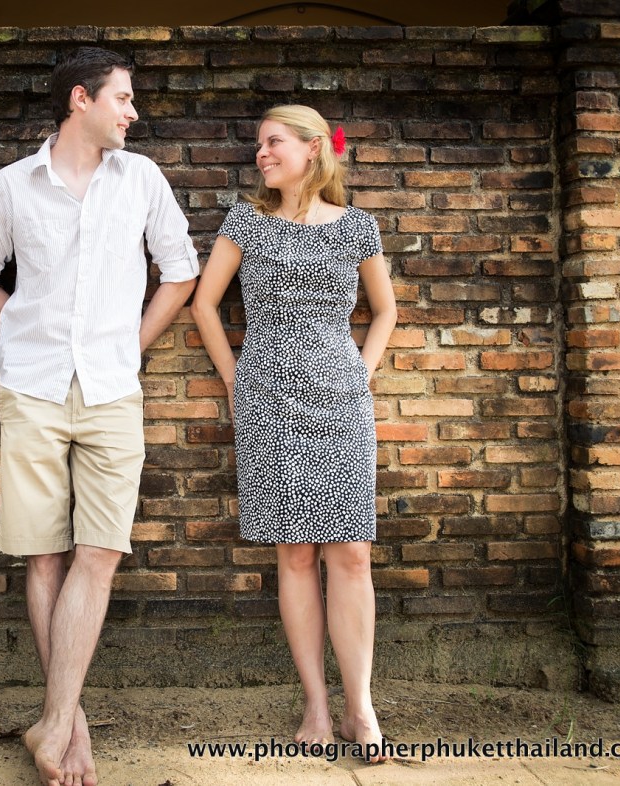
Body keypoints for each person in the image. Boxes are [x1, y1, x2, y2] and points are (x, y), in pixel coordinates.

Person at [0, 47, 199, 786]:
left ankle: (54, 723)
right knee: (44, 556)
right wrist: (25, 325)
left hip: (112, 389)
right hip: (32, 386)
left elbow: (181, 271)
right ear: (80, 100)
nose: (133, 112)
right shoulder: (10, 187)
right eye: (123, 98)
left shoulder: (142, 179)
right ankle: (70, 723)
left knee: (100, 553)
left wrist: (131, 343)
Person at [190, 105, 397, 760]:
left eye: (273, 141)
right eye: (258, 144)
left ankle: (360, 708)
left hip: (340, 400)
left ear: (312, 148)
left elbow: (385, 310)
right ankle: (315, 704)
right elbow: (203, 304)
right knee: (296, 554)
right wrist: (235, 379)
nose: (261, 153)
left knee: (352, 553)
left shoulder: (357, 226)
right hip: (269, 400)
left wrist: (360, 373)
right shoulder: (245, 222)